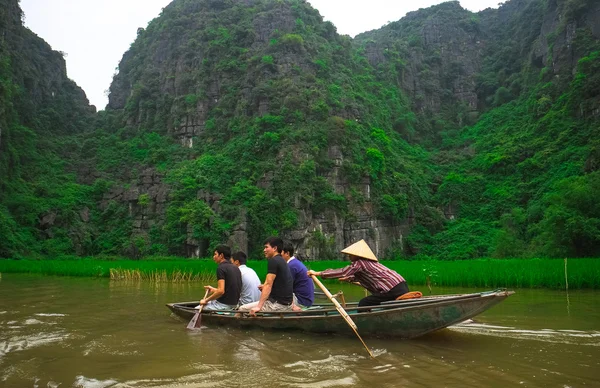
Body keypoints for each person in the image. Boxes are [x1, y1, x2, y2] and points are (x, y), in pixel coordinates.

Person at [307, 239, 409, 307]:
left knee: (364, 303)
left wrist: (319, 273)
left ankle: (363, 323)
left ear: (357, 255)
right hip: (402, 286)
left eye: (351, 255)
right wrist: (350, 278)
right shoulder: (370, 263)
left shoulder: (359, 263)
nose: (349, 257)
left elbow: (343, 272)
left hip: (391, 289)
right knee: (380, 303)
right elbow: (366, 276)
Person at [238, 237, 293, 315]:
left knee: (242, 309)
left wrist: (258, 307)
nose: (264, 250)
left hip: (277, 305)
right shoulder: (282, 261)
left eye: (266, 247)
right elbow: (286, 284)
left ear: (274, 248)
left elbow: (268, 285)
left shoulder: (273, 261)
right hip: (287, 304)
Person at [198, 245, 242, 311]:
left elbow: (221, 291)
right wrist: (214, 289)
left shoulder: (221, 268)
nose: (213, 257)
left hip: (224, 305)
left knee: (196, 309)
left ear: (221, 255)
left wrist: (206, 300)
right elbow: (229, 290)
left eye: (215, 254)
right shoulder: (236, 268)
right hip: (235, 304)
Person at [281, 240, 314, 310]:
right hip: (305, 299)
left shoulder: (291, 266)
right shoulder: (294, 263)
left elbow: (284, 288)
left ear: (287, 253)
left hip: (301, 301)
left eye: (280, 252)